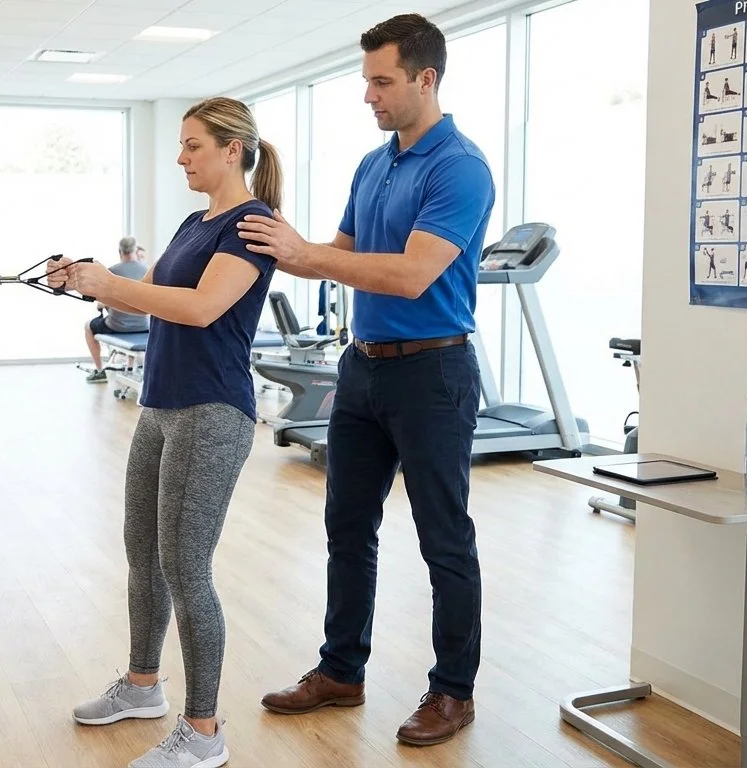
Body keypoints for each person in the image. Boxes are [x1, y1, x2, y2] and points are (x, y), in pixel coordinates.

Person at [237, 13, 494, 747]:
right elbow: (340, 251)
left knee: (445, 539)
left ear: (426, 78)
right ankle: (341, 670)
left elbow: (412, 275)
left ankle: (453, 691)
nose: (369, 96)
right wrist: (269, 240)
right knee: (347, 527)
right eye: (366, 82)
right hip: (363, 368)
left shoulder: (460, 167)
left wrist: (311, 258)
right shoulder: (374, 163)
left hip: (433, 373)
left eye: (382, 82)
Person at [48, 96, 283, 768]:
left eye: (192, 146)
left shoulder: (252, 224)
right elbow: (148, 294)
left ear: (232, 150)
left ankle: (204, 733)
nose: (180, 158)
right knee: (142, 554)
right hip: (159, 406)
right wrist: (87, 284)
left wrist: (112, 286)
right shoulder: (192, 221)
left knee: (186, 568)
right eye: (180, 146)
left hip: (213, 412)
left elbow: (202, 308)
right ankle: (142, 687)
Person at [83, 236, 150, 383]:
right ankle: (130, 366)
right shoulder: (147, 271)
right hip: (144, 326)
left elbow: (101, 302)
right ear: (135, 250)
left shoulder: (111, 272)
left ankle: (99, 370)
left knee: (88, 326)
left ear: (120, 251)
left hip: (117, 326)